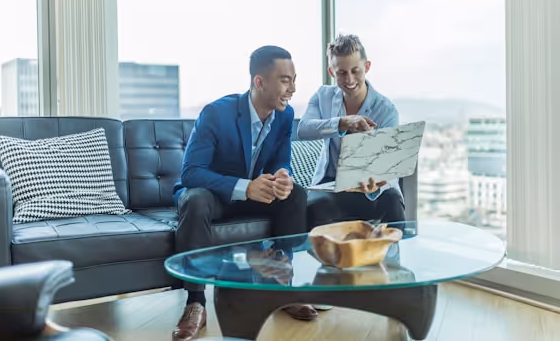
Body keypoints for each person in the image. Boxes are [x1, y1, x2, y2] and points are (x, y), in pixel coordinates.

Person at [171, 45, 315, 341]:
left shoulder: (285, 116)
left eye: (294, 79)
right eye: (285, 80)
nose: (293, 88)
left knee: (296, 194)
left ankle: (281, 285)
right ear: (259, 82)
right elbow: (191, 173)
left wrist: (283, 175)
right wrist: (244, 187)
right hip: (215, 197)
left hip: (255, 196)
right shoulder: (216, 113)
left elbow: (280, 160)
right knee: (195, 200)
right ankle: (195, 303)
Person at [297, 34, 406, 228]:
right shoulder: (323, 97)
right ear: (331, 71)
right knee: (314, 208)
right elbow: (303, 130)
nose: (349, 79)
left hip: (371, 188)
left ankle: (393, 257)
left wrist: (376, 182)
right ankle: (326, 257)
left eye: (356, 71)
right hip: (331, 187)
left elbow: (390, 165)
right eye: (341, 73)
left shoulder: (386, 109)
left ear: (367, 67)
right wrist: (342, 123)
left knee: (392, 200)